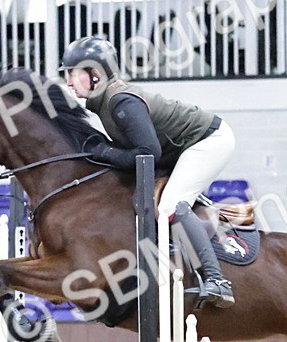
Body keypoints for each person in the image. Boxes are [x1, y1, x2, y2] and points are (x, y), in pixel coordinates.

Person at [59, 36, 236, 308]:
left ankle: (217, 279)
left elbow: (147, 154)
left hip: (209, 141)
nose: (68, 82)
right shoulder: (105, 101)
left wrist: (105, 152)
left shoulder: (120, 102)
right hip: (179, 147)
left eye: (73, 73)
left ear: (95, 74)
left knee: (170, 206)